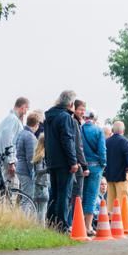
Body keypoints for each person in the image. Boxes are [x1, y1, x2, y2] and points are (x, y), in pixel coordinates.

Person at [44, 90, 79, 234]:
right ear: (71, 104)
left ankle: (51, 224)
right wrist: (73, 162)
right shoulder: (65, 117)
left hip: (52, 161)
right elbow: (67, 140)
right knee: (65, 194)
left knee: (54, 194)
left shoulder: (48, 118)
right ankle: (62, 226)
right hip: (64, 162)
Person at [81, 109, 107, 237]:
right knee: (92, 196)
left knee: (82, 195)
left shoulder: (79, 129)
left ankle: (78, 224)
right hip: (96, 166)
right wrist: (104, 163)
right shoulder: (98, 131)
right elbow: (102, 150)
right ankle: (88, 226)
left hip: (82, 166)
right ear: (94, 118)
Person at [0, 97, 30, 189]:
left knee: (10, 188)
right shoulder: (13, 120)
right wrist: (11, 162)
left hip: (4, 158)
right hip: (9, 160)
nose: (26, 113)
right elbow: (8, 138)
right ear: (23, 107)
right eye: (27, 109)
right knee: (13, 188)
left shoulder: (8, 119)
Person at [104, 121, 128, 212]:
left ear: (112, 130)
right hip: (122, 176)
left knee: (110, 201)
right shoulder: (124, 141)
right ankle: (122, 222)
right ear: (123, 131)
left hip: (109, 176)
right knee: (122, 200)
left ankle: (110, 221)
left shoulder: (107, 141)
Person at [68, 99, 89, 227]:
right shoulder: (75, 123)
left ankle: (72, 223)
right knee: (76, 196)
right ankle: (75, 224)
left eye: (83, 109)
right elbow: (78, 145)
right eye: (80, 109)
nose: (82, 112)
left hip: (75, 162)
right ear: (74, 109)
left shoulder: (76, 122)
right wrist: (84, 164)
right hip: (77, 164)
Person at [16, 112, 40, 209]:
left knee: (24, 198)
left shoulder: (22, 133)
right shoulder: (30, 137)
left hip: (20, 169)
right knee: (28, 199)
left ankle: (23, 219)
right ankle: (25, 221)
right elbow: (31, 158)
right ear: (36, 124)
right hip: (26, 171)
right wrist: (33, 173)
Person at [32, 134, 50, 226]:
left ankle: (39, 227)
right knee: (42, 209)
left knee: (39, 209)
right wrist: (49, 169)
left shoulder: (37, 155)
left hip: (39, 185)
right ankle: (41, 228)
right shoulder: (42, 156)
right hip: (41, 185)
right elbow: (39, 170)